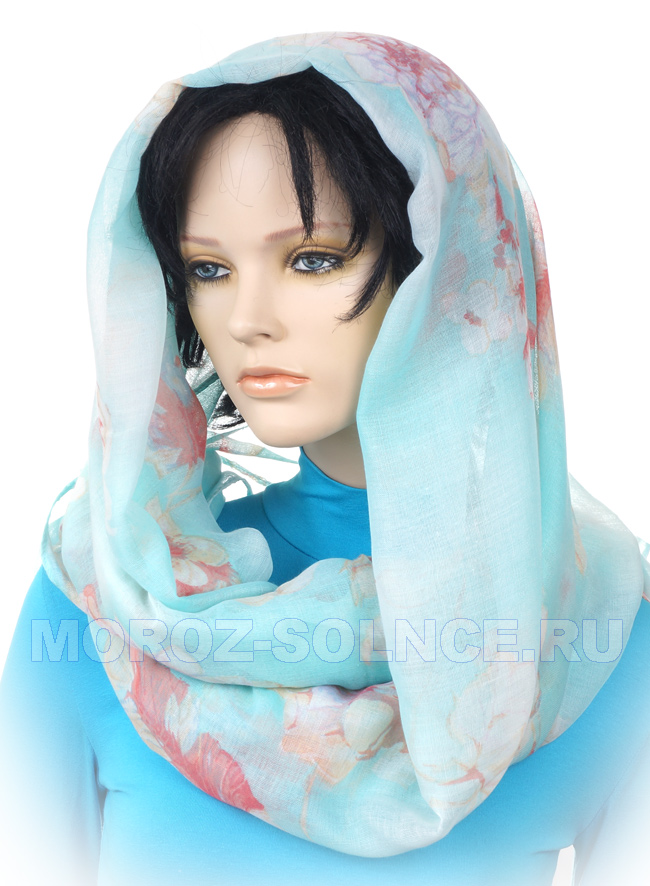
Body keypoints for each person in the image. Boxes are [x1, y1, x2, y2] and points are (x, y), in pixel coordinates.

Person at [1, 32, 648, 886]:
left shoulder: (598, 638)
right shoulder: (106, 605)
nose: (247, 319)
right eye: (209, 268)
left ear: (447, 271)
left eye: (311, 259)